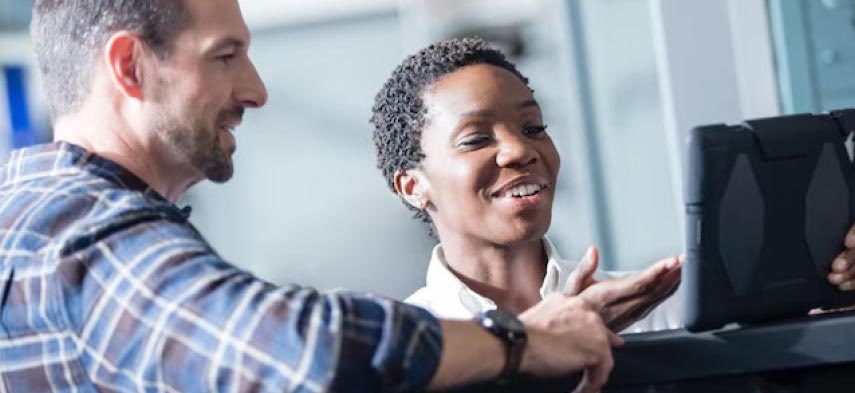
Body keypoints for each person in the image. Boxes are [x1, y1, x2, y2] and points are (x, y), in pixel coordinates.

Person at [0, 1, 622, 392]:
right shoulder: (84, 234)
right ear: (131, 66)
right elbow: (299, 352)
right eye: (226, 57)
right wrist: (525, 342)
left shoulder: (30, 221)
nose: (256, 90)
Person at [369, 37, 855, 333]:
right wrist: (556, 345)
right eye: (475, 138)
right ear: (413, 185)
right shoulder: (408, 343)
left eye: (533, 127)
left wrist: (837, 301)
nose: (520, 150)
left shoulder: (654, 307)